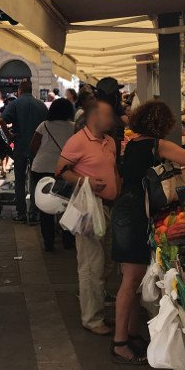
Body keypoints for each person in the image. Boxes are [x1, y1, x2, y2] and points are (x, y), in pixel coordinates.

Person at [111, 101, 185, 363]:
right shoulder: (157, 145)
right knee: (130, 280)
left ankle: (131, 333)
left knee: (130, 278)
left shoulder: (133, 144)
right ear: (162, 124)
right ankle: (120, 343)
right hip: (134, 216)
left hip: (124, 210)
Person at [55, 99, 119, 335]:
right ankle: (92, 319)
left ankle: (95, 307)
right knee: (91, 264)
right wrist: (87, 182)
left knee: (107, 261)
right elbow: (60, 171)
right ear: (94, 118)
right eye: (107, 115)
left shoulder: (110, 142)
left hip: (109, 206)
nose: (111, 120)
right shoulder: (77, 141)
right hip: (89, 208)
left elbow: (113, 171)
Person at [29, 98, 77, 252]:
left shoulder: (44, 125)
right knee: (66, 204)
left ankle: (48, 242)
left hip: (41, 168)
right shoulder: (74, 128)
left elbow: (33, 146)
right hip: (64, 171)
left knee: (45, 207)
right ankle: (68, 240)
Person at [0, 79, 48, 223]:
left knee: (19, 180)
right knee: (35, 180)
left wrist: (9, 136)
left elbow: (2, 120)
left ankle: (21, 213)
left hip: (20, 146)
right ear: (31, 90)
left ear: (20, 91)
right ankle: (34, 213)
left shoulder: (15, 103)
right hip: (38, 148)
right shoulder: (41, 105)